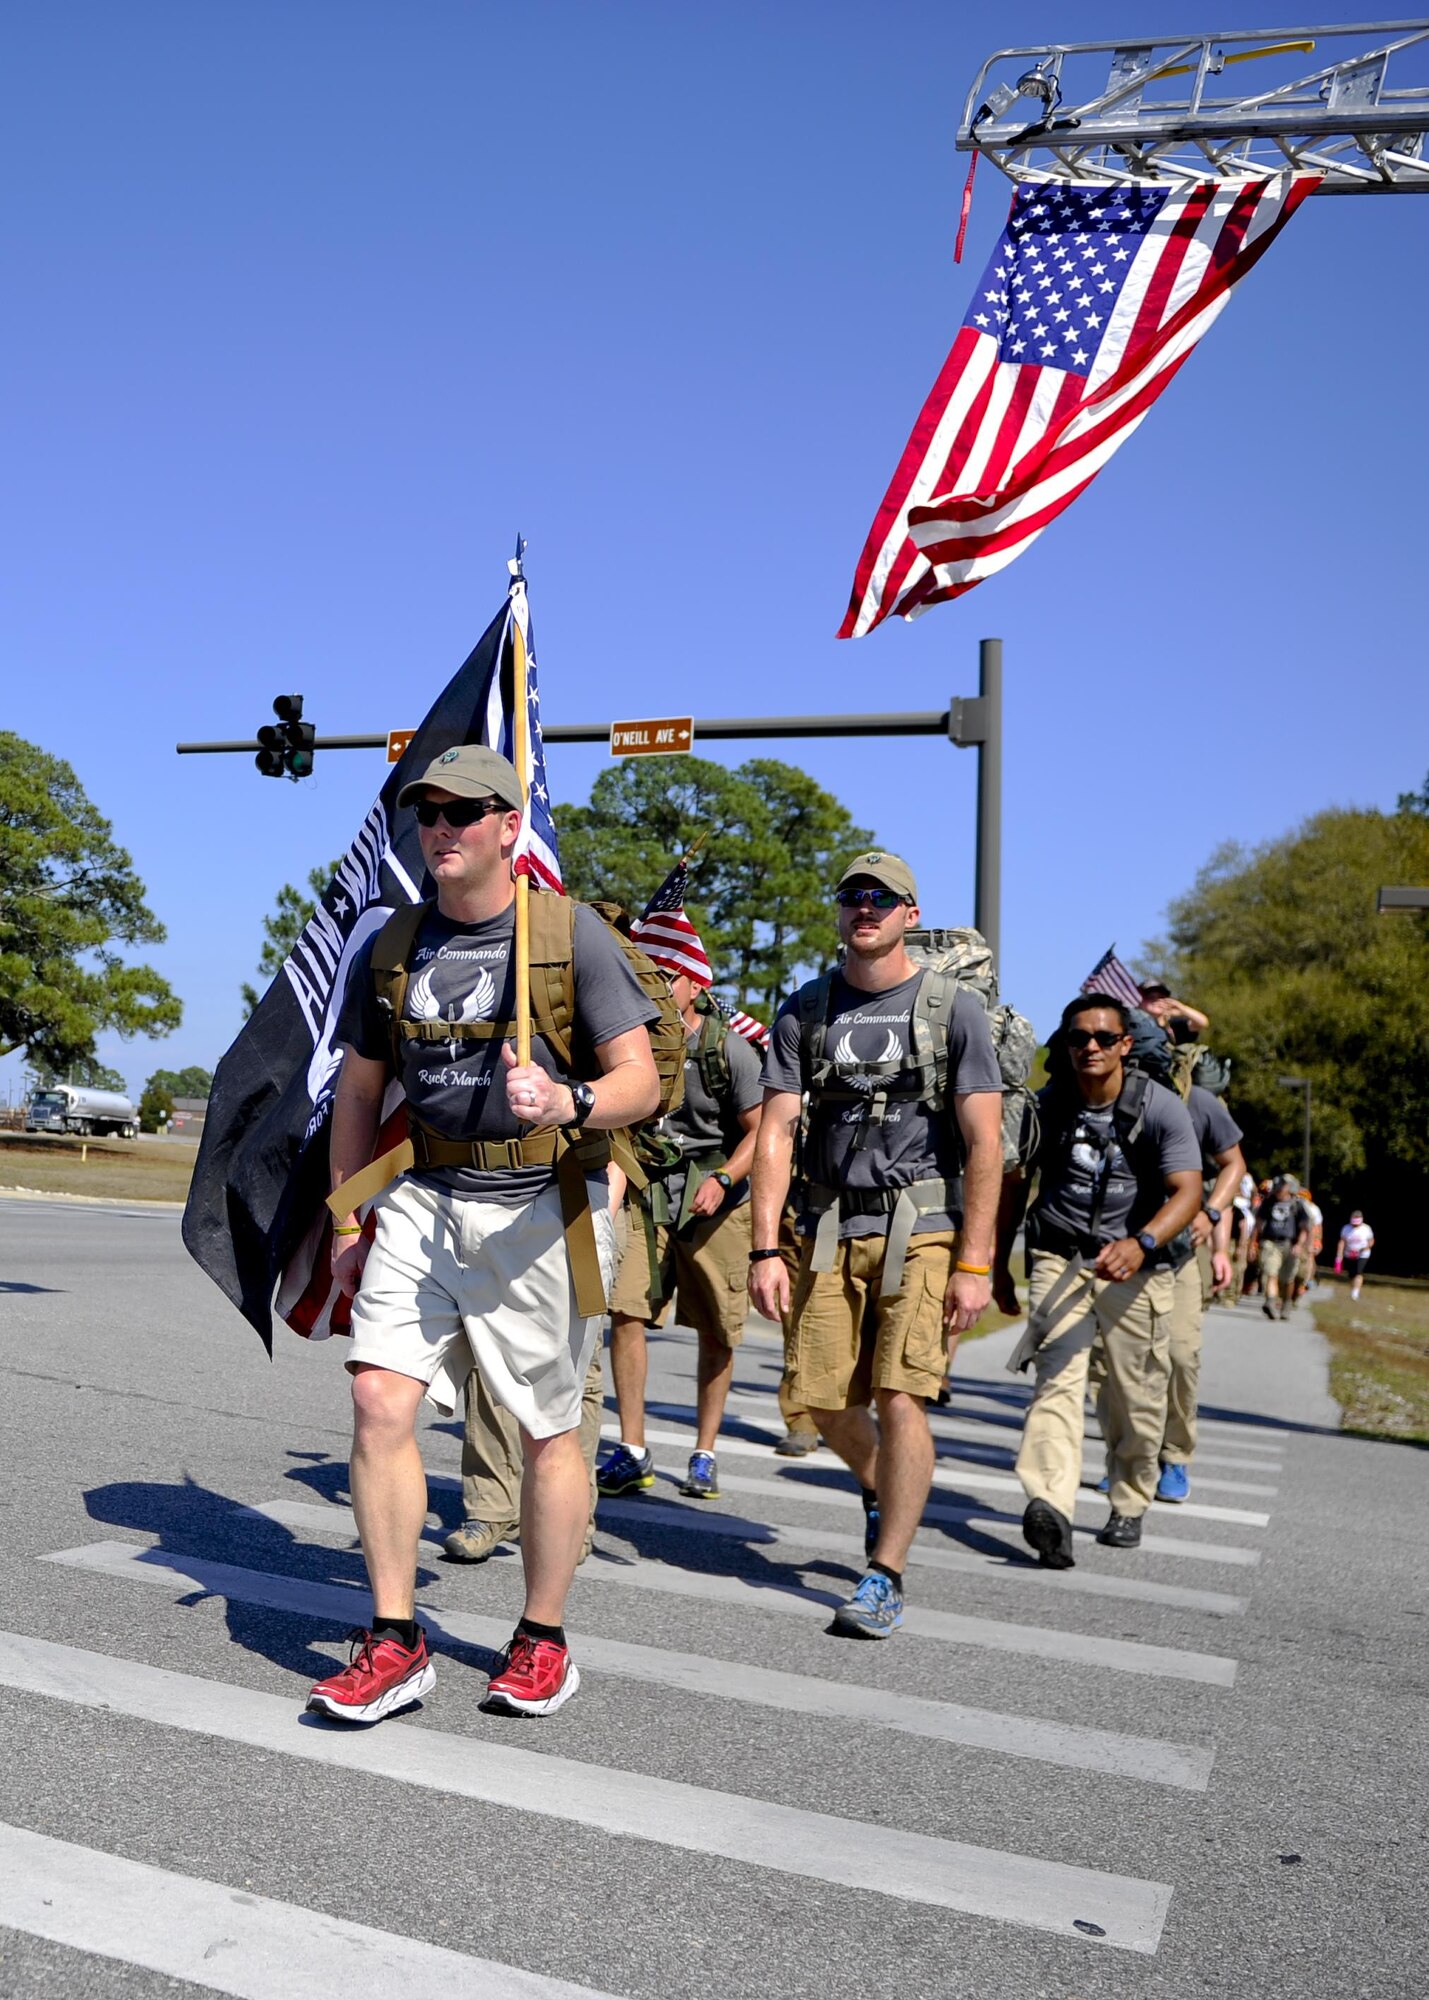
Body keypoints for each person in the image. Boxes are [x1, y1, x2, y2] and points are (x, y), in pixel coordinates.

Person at [306, 745, 659, 1724]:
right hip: (421, 1194)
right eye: (427, 810)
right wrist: (344, 1214)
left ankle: (542, 1637)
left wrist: (568, 1094)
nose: (440, 826)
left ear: (510, 826)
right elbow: (360, 1092)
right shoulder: (394, 945)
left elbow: (643, 1079)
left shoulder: (568, 934)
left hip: (541, 1199)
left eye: (464, 810)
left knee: (549, 1429)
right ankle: (394, 1636)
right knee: (379, 1397)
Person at [749, 851, 1004, 1639]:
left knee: (901, 1395)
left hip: (922, 1227)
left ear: (908, 914)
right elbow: (776, 1135)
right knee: (820, 1399)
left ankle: (884, 1573)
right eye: (853, 896)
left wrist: (973, 1262)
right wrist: (763, 1249)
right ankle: (879, 1487)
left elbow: (985, 1144)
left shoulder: (951, 1009)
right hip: (827, 1226)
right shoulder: (805, 1011)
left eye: (882, 899)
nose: (866, 909)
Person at [1000, 993, 1202, 1566]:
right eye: (1079, 1038)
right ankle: (1051, 1507)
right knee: (1056, 1382)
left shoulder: (1159, 1106)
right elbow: (1015, 1188)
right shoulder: (1047, 1107)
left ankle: (1130, 1499)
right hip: (1059, 1259)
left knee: (1134, 1395)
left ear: (1125, 1045)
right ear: (1065, 1047)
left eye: (1103, 1038)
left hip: (1139, 1266)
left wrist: (1141, 1244)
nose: (1090, 1046)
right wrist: (993, 1266)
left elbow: (1188, 1190)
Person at [597, 937, 764, 1501]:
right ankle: (633, 1450)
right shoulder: (632, 1042)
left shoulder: (729, 1050)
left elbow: (762, 1129)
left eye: (668, 975)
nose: (658, 985)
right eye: (648, 974)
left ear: (696, 983)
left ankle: (704, 1452)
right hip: (647, 1191)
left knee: (717, 1327)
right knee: (625, 1311)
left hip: (715, 1198)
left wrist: (723, 1180)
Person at [1151, 1084, 1246, 1503]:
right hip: (1120, 1247)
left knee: (1180, 1353)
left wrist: (1219, 1242)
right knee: (1122, 1363)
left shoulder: (1199, 1101)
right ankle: (1131, 1455)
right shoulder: (1105, 1088)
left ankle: (1175, 1455)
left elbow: (1232, 1166)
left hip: (1184, 1251)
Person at [1252, 1176, 1311, 1321]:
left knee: (1287, 1279)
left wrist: (1299, 1245)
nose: (1278, 1191)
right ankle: (1271, 1302)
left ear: (1289, 1188)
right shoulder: (1268, 1203)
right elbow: (1258, 1223)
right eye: (1276, 1188)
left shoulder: (1298, 1204)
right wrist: (1253, 1243)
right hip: (1270, 1243)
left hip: (1290, 1244)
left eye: (1281, 1188)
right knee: (1270, 1272)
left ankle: (1287, 1303)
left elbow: (1304, 1228)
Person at [1137, 982, 1210, 1044]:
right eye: (1150, 997)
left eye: (1161, 997)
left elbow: (1202, 1023)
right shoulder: (1133, 1025)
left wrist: (1182, 1009)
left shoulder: (1173, 1025)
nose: (1156, 1000)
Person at [1337, 1210, 1375, 1300]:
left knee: (1359, 1272)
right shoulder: (1346, 1228)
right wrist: (1339, 1255)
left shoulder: (1366, 1229)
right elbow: (1342, 1242)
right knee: (1351, 1274)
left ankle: (1355, 1292)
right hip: (1349, 1254)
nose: (1355, 1225)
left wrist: (1365, 1248)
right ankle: (1353, 1289)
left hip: (1362, 1254)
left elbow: (1371, 1241)